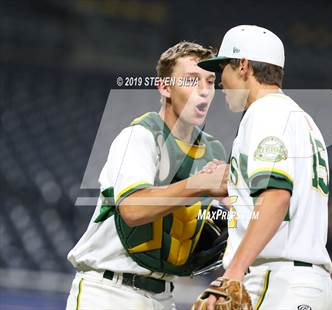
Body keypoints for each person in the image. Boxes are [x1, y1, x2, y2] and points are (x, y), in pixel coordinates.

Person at [66, 41, 229, 310]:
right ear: (165, 87)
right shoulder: (140, 136)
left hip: (164, 297)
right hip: (108, 291)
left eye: (210, 81)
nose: (204, 90)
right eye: (191, 80)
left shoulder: (212, 150)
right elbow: (132, 208)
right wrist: (201, 184)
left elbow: (211, 220)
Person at [197, 25, 332, 309]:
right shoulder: (301, 119)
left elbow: (276, 197)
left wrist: (233, 272)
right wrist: (236, 194)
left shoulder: (265, 113)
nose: (220, 80)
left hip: (278, 283)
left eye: (224, 67)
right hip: (304, 282)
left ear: (244, 66)